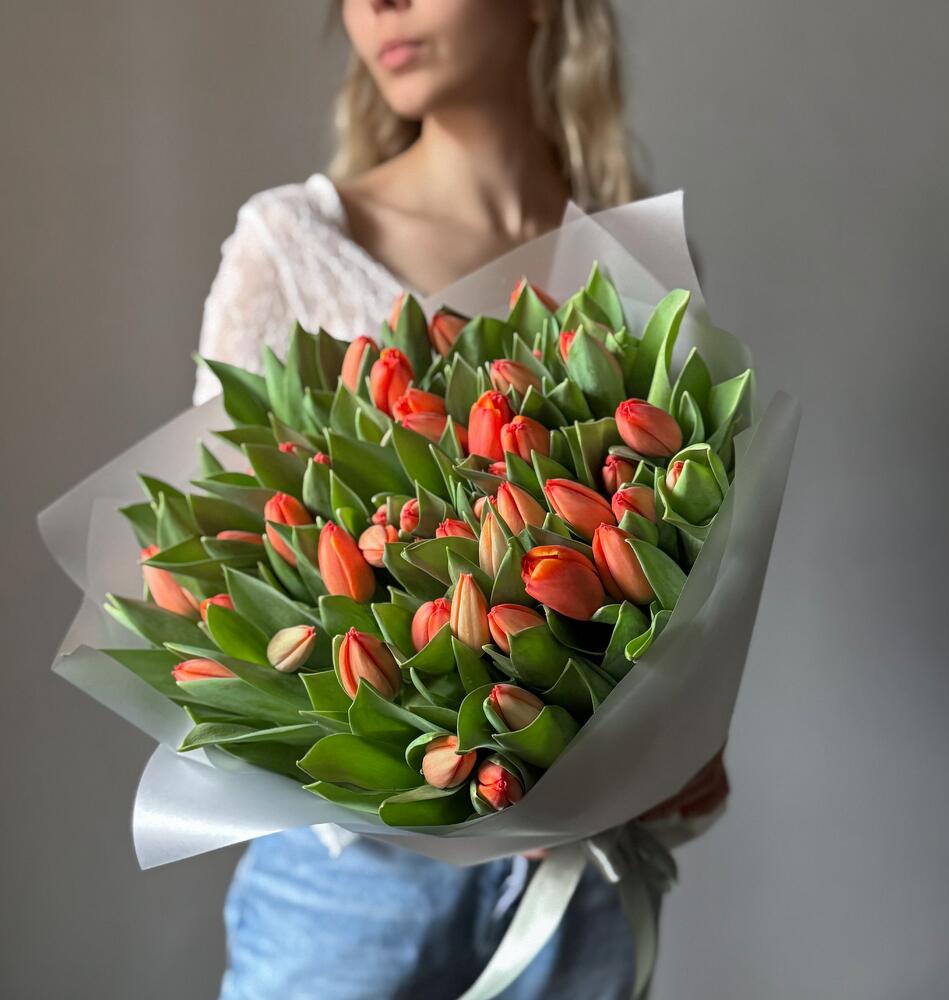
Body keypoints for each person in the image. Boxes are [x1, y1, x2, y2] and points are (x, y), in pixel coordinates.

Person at [193, 2, 729, 997]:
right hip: (350, 885)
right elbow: (227, 563)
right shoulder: (294, 243)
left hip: (580, 883)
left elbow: (696, 572)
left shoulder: (644, 269)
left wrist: (684, 746)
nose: (380, 4)